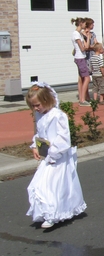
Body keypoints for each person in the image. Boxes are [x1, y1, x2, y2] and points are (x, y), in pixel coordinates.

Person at [25, 82, 87, 229]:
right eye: (33, 106)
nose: (36, 108)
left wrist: (53, 154)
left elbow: (64, 139)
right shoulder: (40, 115)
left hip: (57, 157)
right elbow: (39, 134)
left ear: (47, 100)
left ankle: (52, 215)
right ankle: (48, 212)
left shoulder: (58, 116)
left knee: (52, 186)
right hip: (46, 156)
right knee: (40, 184)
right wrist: (35, 146)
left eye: (37, 105)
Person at [71, 18, 91, 106]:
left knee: (82, 78)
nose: (85, 26)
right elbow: (83, 48)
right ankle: (82, 100)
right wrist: (85, 46)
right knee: (87, 78)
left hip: (81, 57)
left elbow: (86, 46)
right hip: (80, 58)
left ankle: (82, 98)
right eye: (84, 24)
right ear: (81, 24)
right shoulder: (76, 34)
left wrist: (88, 37)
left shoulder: (79, 34)